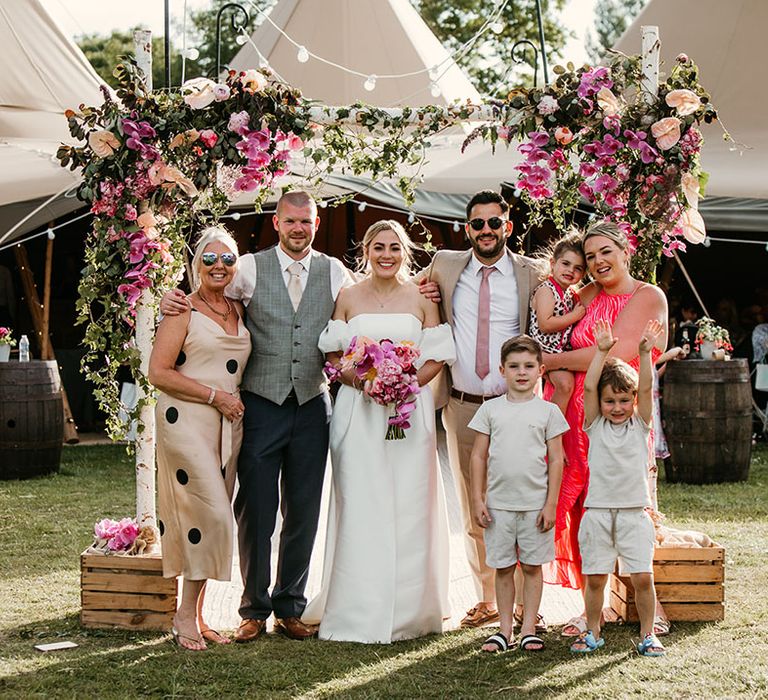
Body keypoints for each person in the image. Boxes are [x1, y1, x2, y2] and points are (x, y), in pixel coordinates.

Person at [160, 191, 352, 643]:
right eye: (290, 221)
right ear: (277, 223)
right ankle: (253, 608)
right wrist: (174, 299)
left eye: (306, 221)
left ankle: (290, 606)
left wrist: (418, 284)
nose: (298, 228)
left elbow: (365, 299)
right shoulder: (247, 267)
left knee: (303, 508)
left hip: (311, 402)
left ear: (316, 223)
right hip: (260, 403)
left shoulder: (335, 270)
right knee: (256, 509)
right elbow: (210, 289)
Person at [302, 220, 455, 643]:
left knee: (410, 504)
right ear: (366, 251)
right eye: (378, 247)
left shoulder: (421, 297)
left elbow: (438, 355)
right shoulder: (348, 296)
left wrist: (405, 385)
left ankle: (410, 612)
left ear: (404, 252)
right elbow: (333, 354)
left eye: (393, 247)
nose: (386, 254)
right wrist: (363, 382)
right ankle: (356, 608)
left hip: (410, 413)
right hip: (360, 413)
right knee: (361, 502)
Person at [419, 190, 544, 629]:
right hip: (463, 406)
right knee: (476, 507)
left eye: (495, 223)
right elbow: (400, 290)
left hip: (517, 408)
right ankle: (488, 599)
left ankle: (530, 603)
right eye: (478, 224)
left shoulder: (532, 273)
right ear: (466, 228)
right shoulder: (443, 266)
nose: (486, 231)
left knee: (523, 502)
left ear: (507, 227)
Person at [539, 220, 668, 637]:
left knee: (628, 507)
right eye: (590, 256)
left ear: (625, 250)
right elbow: (549, 301)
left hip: (619, 418)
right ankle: (589, 608)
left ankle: (651, 605)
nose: (596, 262)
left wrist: (551, 361)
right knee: (583, 511)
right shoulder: (586, 292)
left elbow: (619, 355)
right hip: (574, 417)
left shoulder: (647, 296)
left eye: (604, 252)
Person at [149, 226, 250, 650]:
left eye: (227, 259)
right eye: (209, 259)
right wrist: (215, 397)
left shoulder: (239, 308)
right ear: (196, 265)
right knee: (210, 516)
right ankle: (183, 616)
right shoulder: (181, 309)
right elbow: (159, 373)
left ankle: (199, 614)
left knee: (208, 519)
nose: (218, 266)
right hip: (186, 420)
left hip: (228, 426)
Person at [570, 318, 666, 657]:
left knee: (642, 578)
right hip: (597, 514)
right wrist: (601, 352)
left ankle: (647, 634)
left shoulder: (640, 426)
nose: (617, 407)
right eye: (611, 401)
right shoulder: (595, 425)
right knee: (596, 578)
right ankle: (593, 631)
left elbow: (643, 388)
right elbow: (589, 388)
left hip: (632, 515)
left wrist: (644, 353)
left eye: (623, 401)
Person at [468, 336, 567, 653]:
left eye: (528, 366)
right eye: (514, 366)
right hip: (499, 507)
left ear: (540, 370)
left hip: (536, 507)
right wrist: (477, 498)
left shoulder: (549, 412)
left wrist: (551, 503)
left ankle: (528, 629)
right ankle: (504, 630)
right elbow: (478, 456)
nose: (521, 372)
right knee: (504, 568)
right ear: (502, 370)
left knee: (532, 567)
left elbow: (556, 460)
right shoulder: (490, 410)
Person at [529, 232, 587, 417]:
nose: (571, 270)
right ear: (553, 264)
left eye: (578, 268)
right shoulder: (547, 290)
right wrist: (574, 316)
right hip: (543, 350)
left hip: (558, 351)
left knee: (574, 382)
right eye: (566, 264)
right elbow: (545, 324)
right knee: (565, 384)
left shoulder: (569, 294)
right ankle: (551, 426)